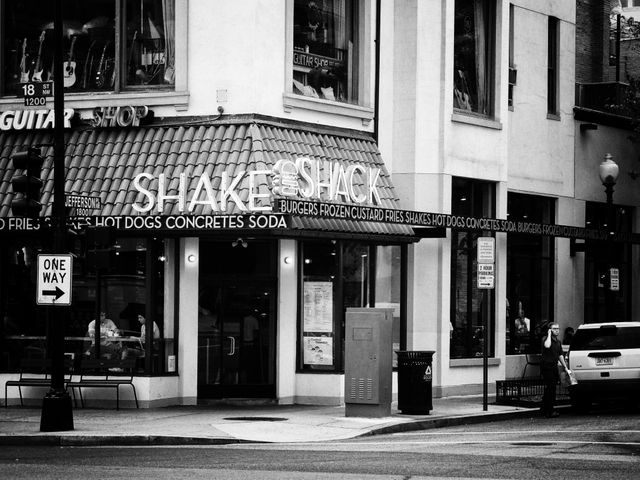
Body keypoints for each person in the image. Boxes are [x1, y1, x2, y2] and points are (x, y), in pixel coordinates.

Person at [540, 323, 570, 418]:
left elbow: (560, 355)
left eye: (558, 328)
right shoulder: (545, 339)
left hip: (553, 366)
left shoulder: (558, 341)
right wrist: (549, 334)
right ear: (550, 330)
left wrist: (565, 367)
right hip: (546, 366)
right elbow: (547, 346)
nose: (557, 330)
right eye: (554, 329)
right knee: (551, 388)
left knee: (550, 388)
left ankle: (544, 409)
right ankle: (550, 410)